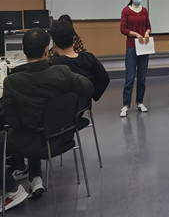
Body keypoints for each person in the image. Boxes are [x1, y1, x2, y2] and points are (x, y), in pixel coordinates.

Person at [1, 28, 93, 208]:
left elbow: (13, 122)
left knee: (25, 128)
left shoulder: (12, 81)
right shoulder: (62, 73)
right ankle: (35, 176)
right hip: (61, 137)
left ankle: (11, 189)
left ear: (23, 49)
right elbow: (88, 87)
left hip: (31, 142)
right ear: (46, 50)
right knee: (36, 124)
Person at [49, 19, 110, 102]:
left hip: (59, 108)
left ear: (53, 44)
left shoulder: (53, 65)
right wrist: (93, 94)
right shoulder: (89, 58)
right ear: (74, 39)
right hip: (83, 106)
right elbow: (105, 79)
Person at [119, 0, 151, 117]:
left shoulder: (144, 11)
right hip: (132, 47)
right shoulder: (126, 11)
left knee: (142, 77)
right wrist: (136, 34)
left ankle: (140, 102)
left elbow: (148, 26)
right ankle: (126, 104)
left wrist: (147, 33)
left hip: (143, 47)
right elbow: (123, 29)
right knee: (130, 77)